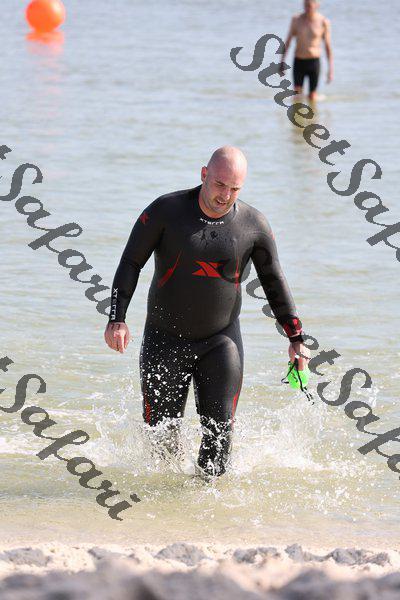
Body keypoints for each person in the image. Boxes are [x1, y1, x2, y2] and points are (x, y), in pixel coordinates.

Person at [104, 146, 310, 480]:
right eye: (219, 184)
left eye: (234, 188)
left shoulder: (253, 225)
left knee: (219, 445)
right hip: (164, 340)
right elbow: (131, 262)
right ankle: (165, 509)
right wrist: (117, 318)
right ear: (204, 175)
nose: (225, 195)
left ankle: (206, 507)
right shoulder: (166, 211)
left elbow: (273, 281)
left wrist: (296, 337)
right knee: (161, 448)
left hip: (220, 343)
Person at [280, 0, 333, 102]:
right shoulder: (296, 20)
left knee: (312, 97)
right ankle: (297, 112)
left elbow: (327, 46)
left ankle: (313, 113)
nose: (308, 8)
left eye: (310, 5)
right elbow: (288, 42)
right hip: (299, 61)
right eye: (306, 5)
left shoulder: (323, 21)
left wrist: (330, 70)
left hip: (314, 62)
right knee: (297, 96)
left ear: (317, 5)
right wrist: (282, 61)